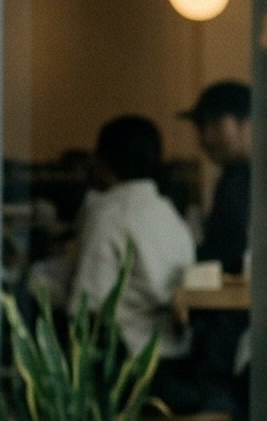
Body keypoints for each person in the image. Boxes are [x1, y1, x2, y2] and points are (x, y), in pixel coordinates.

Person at [73, 116, 194, 364]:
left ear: (103, 161)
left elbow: (87, 306)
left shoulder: (108, 214)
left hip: (127, 360)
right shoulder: (170, 214)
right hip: (177, 354)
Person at [181, 80, 253, 276]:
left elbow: (227, 255)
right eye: (200, 126)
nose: (206, 136)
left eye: (215, 123)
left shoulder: (243, 180)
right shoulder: (234, 175)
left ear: (247, 123)